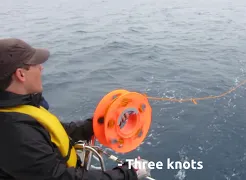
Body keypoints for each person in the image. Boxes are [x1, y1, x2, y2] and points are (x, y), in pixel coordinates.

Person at [0, 38, 151, 180]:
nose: (41, 67)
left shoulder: (19, 109)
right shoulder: (14, 131)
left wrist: (97, 125)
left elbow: (59, 132)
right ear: (21, 74)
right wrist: (128, 173)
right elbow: (60, 177)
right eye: (35, 64)